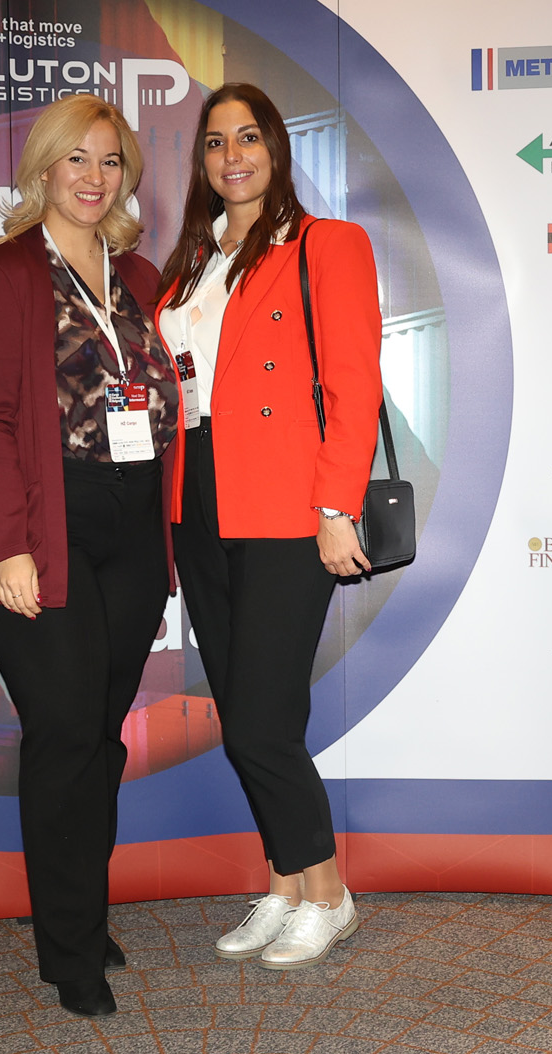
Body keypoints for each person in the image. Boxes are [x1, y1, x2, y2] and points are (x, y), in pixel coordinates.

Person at [0, 94, 179, 1017]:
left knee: (101, 738)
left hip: (134, 530)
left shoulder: (143, 276)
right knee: (66, 734)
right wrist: (10, 545)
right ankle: (69, 952)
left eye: (110, 160)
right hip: (46, 529)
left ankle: (82, 912)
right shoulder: (3, 271)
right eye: (76, 159)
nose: (94, 177)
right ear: (44, 168)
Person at [157, 83, 382, 970]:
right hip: (199, 499)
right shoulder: (191, 262)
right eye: (216, 142)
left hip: (288, 504)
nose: (233, 156)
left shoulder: (326, 244)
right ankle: (286, 886)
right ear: (203, 162)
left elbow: (353, 385)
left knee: (263, 721)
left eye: (248, 137)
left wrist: (335, 509)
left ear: (276, 149)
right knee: (242, 710)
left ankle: (329, 895)